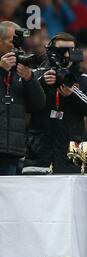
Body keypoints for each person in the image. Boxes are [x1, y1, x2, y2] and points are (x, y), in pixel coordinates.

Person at [23, 32, 87, 174]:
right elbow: (22, 105)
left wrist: (73, 93)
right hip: (39, 153)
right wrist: (39, 84)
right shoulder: (36, 75)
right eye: (60, 50)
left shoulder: (85, 80)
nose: (66, 55)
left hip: (71, 155)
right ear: (51, 51)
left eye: (70, 50)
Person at [0, 21, 45, 175]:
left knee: (7, 198)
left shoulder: (22, 67)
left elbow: (38, 104)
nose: (16, 46)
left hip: (11, 150)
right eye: (12, 41)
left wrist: (30, 78)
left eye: (19, 41)